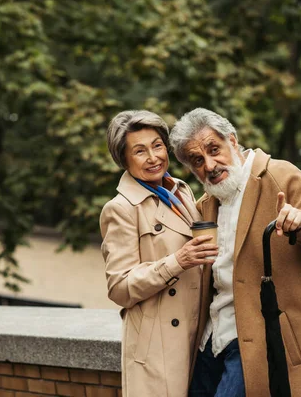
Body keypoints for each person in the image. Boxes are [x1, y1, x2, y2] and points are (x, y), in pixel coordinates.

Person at [169, 108, 301, 397]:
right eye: (197, 160)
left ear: (232, 140)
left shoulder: (280, 175)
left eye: (214, 150)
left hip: (260, 341)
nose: (210, 164)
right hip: (210, 340)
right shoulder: (206, 204)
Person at [100, 110, 219, 397]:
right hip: (157, 350)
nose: (153, 157)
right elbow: (119, 287)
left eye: (157, 146)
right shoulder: (121, 209)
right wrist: (176, 262)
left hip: (198, 337)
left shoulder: (181, 190)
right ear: (124, 159)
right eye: (139, 151)